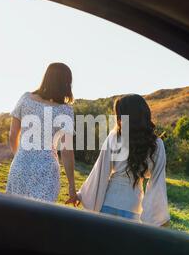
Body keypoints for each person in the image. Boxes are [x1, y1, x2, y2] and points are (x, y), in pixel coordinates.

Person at [68, 94, 170, 226]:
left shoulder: (114, 137)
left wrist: (81, 195)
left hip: (108, 201)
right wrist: (159, 218)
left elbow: (100, 171)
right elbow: (157, 183)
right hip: (132, 206)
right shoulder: (157, 144)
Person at [6, 63, 79, 203]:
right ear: (66, 83)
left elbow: (12, 135)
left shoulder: (26, 99)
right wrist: (72, 186)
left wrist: (21, 157)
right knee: (40, 220)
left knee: (13, 216)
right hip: (46, 173)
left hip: (20, 167)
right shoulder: (65, 111)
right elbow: (67, 151)